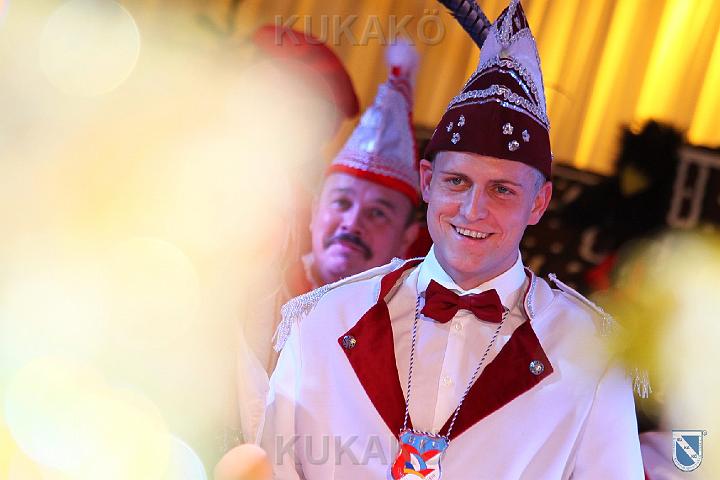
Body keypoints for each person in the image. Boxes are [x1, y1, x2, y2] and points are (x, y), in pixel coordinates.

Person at [260, 1, 646, 478]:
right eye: (456, 181)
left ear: (539, 202)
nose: (472, 210)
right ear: (427, 181)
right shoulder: (324, 318)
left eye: (502, 190)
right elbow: (267, 469)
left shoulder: (592, 352)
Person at [236, 36, 422, 446]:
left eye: (378, 213)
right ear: (316, 209)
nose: (352, 223)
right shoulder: (254, 288)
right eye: (341, 203)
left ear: (407, 238)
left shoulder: (412, 339)